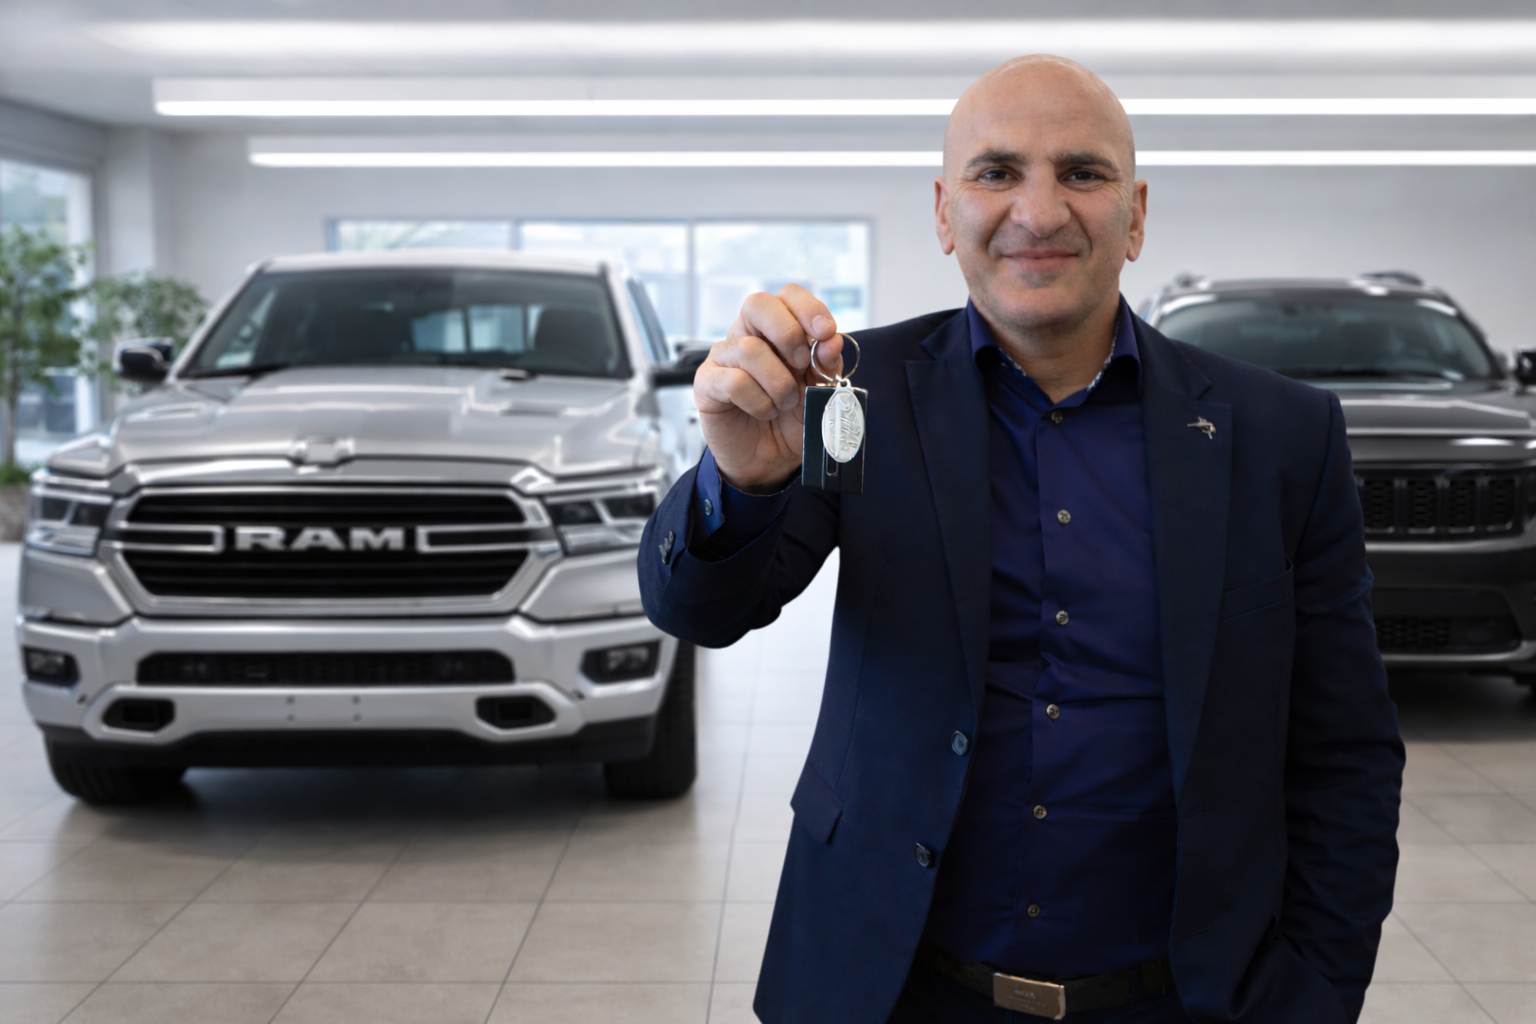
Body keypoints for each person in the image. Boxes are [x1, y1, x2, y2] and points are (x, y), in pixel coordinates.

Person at [639, 55, 1403, 1024]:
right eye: (997, 172)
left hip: (1187, 998)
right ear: (943, 211)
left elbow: (1346, 749)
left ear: (1135, 215)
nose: (1039, 213)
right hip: (894, 988)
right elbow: (706, 612)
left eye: (1082, 173)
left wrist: (1317, 990)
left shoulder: (1280, 435)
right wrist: (743, 480)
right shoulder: (855, 398)